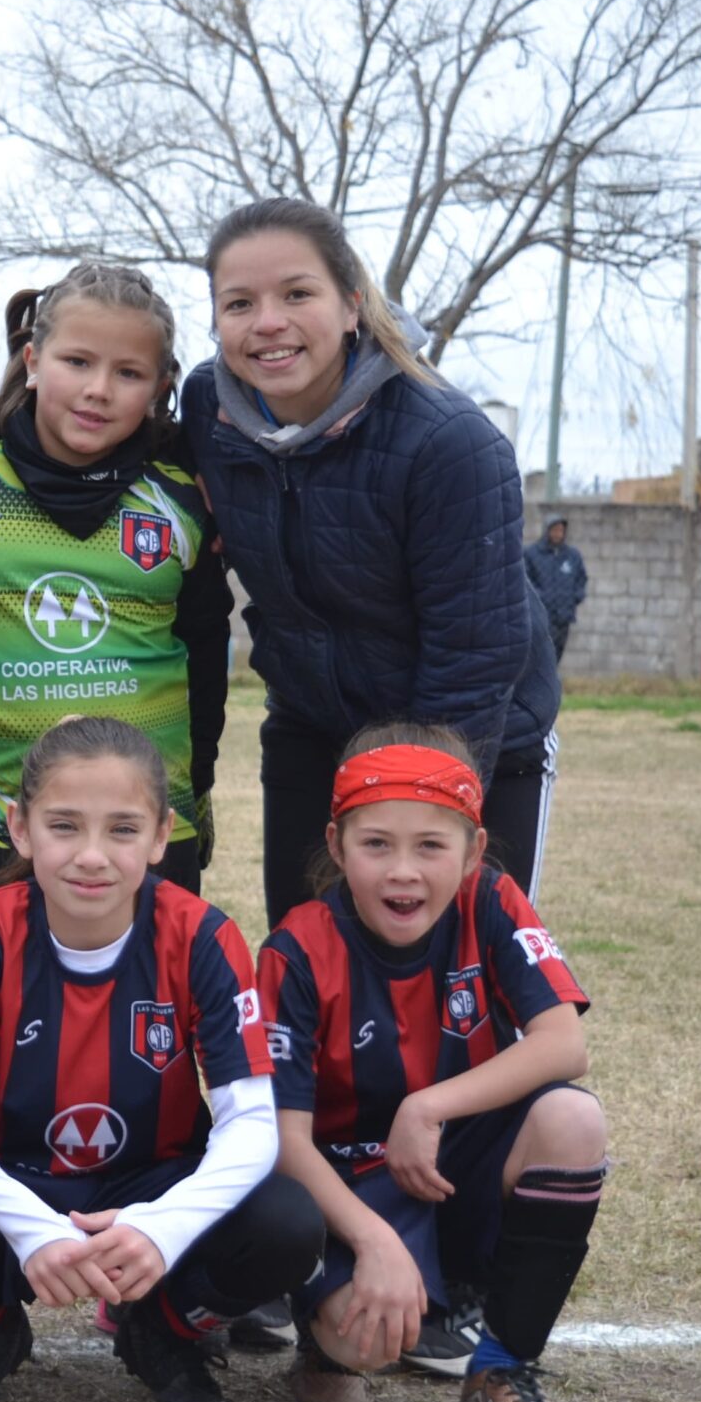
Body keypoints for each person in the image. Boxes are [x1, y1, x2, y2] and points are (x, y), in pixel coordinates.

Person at [0, 716, 321, 1402]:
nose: (91, 856)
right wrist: (34, 1232)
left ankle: (163, 1332)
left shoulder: (205, 935)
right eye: (64, 826)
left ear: (159, 836)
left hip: (152, 1185)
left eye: (121, 829)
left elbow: (252, 1125)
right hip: (21, 1183)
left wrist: (162, 1228)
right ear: (20, 829)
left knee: (288, 1223)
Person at [184, 198, 560, 929]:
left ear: (353, 304)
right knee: (308, 969)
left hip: (475, 731)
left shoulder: (450, 442)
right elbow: (77, 420)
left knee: (455, 982)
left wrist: (407, 814)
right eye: (239, 303)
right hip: (312, 723)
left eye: (298, 294)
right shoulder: (207, 406)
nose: (268, 321)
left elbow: (475, 653)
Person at [260, 725, 607, 1402]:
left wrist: (429, 1106)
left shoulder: (492, 903)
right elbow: (282, 1139)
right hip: (349, 1181)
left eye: (430, 846)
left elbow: (563, 1044)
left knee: (572, 1120)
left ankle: (502, 1369)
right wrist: (374, 1241)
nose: (403, 872)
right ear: (337, 841)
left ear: (474, 851)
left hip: (452, 1159)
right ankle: (323, 1338)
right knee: (367, 1343)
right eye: (376, 844)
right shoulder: (297, 948)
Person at [0, 261, 231, 938]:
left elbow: (208, 650)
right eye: (77, 361)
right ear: (33, 360)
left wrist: (199, 786)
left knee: (144, 1033)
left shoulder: (186, 491)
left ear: (159, 390)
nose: (98, 391)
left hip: (152, 822)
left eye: (128, 374)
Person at [524, 518, 587, 662]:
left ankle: (551, 683)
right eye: (555, 530)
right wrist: (541, 599)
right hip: (540, 618)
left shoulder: (572, 556)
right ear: (547, 531)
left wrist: (575, 597)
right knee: (538, 657)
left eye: (561, 530)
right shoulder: (531, 554)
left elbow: (581, 579)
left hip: (563, 617)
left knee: (556, 655)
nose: (558, 534)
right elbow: (526, 581)